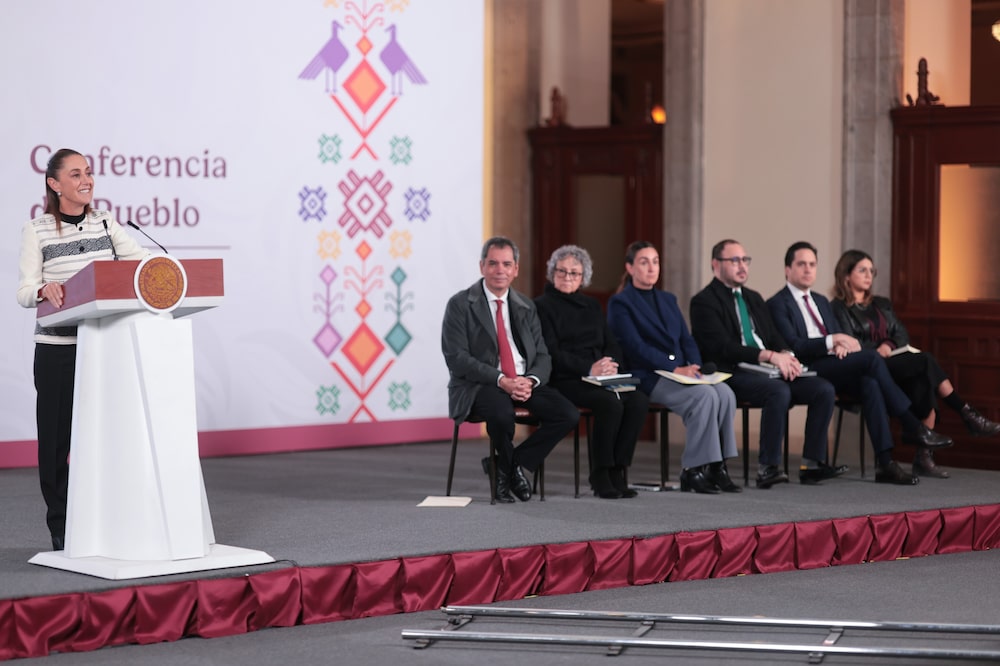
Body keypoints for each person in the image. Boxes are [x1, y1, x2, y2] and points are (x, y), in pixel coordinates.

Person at [17, 148, 150, 551]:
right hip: (58, 350)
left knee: (107, 438)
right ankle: (61, 527)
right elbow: (25, 291)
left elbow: (141, 263)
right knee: (56, 443)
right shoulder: (37, 230)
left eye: (88, 172)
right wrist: (44, 289)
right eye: (75, 174)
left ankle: (108, 521)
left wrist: (160, 269)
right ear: (55, 184)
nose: (86, 180)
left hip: (104, 350)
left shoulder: (106, 223)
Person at [766, 241, 953, 486]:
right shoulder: (777, 303)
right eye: (801, 264)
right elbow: (795, 345)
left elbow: (837, 335)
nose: (808, 269)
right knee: (871, 358)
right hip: (805, 366)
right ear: (787, 269)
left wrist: (840, 345)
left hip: (833, 362)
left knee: (870, 384)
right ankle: (911, 424)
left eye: (812, 264)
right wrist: (833, 341)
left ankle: (885, 463)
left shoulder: (821, 301)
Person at [831, 249, 1000, 478]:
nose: (869, 275)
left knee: (924, 377)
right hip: (867, 367)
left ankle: (924, 456)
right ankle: (965, 415)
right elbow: (849, 342)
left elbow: (901, 333)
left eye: (872, 270)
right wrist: (877, 350)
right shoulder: (838, 308)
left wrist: (888, 345)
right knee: (926, 361)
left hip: (893, 361)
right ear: (846, 275)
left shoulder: (881, 303)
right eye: (862, 270)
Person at [690, 239, 841, 489]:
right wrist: (769, 356)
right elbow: (723, 347)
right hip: (733, 371)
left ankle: (812, 465)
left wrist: (786, 355)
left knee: (822, 389)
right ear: (715, 264)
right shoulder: (704, 301)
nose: (742, 266)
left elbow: (773, 336)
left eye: (745, 260)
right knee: (778, 391)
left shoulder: (754, 297)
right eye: (734, 260)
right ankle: (768, 468)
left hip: (766, 368)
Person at [441, 236, 579, 503]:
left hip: (522, 381)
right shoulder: (460, 305)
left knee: (567, 414)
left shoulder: (526, 306)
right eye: (493, 263)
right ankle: (507, 472)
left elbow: (542, 355)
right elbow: (457, 358)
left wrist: (531, 380)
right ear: (482, 266)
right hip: (480, 384)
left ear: (516, 269)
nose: (499, 270)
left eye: (506, 264)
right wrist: (501, 379)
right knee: (501, 413)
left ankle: (507, 465)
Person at [607, 240, 740, 494]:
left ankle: (716, 466)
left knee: (725, 393)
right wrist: (674, 367)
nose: (651, 268)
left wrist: (695, 365)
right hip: (647, 375)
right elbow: (635, 347)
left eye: (655, 262)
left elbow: (686, 339)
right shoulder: (621, 303)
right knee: (704, 396)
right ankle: (692, 469)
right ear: (630, 267)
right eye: (644, 262)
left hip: (680, 372)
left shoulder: (668, 299)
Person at [534, 245, 650, 499]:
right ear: (552, 273)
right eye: (562, 271)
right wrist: (588, 368)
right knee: (610, 403)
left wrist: (610, 364)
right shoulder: (541, 306)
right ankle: (600, 473)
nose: (567, 277)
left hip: (600, 375)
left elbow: (611, 342)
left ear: (583, 277)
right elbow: (551, 352)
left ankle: (618, 469)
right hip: (566, 378)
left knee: (639, 401)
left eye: (574, 273)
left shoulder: (592, 305)